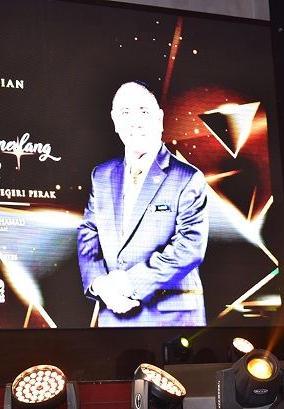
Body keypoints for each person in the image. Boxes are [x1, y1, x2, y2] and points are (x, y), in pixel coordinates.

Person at [77, 81, 209, 327]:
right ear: (115, 121)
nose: (135, 121)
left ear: (159, 119)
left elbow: (189, 247)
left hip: (172, 320)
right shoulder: (101, 175)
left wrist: (129, 283)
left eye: (143, 111)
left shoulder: (188, 177)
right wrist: (100, 284)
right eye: (125, 112)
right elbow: (88, 233)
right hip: (113, 314)